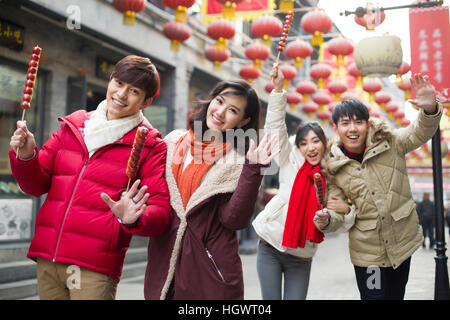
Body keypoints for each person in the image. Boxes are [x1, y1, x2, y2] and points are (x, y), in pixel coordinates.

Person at [9, 55, 172, 300]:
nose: (121, 94)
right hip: (48, 257)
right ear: (110, 82)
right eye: (118, 83)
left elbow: (161, 213)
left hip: (94, 264)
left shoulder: (150, 145)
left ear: (146, 101)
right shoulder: (73, 126)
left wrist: (134, 218)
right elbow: (36, 186)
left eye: (134, 90)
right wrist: (26, 156)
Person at [143, 79, 280, 300]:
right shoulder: (173, 142)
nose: (220, 112)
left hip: (209, 271)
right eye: (220, 101)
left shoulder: (240, 161)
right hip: (163, 265)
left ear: (243, 120)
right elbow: (156, 200)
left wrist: (253, 170)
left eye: (233, 110)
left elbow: (233, 220)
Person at [314, 73, 443, 300]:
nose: (352, 129)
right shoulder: (332, 167)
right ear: (336, 127)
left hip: (402, 244)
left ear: (367, 123)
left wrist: (430, 110)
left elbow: (418, 132)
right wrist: (327, 220)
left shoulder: (390, 142)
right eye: (345, 123)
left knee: (395, 296)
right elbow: (336, 211)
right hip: (367, 253)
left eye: (358, 122)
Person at [252, 64, 355, 300]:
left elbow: (343, 217)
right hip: (271, 244)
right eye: (305, 142)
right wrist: (278, 91)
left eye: (316, 141)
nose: (310, 147)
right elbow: (274, 127)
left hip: (303, 253)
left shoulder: (334, 172)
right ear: (298, 146)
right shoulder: (289, 159)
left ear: (324, 143)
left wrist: (333, 216)